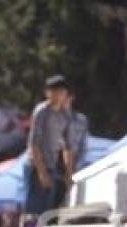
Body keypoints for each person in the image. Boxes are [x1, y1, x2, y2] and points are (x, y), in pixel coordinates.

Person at [25, 75, 72, 215]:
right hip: (37, 165)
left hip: (53, 166)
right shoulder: (42, 112)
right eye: (54, 91)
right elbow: (34, 143)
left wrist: (68, 173)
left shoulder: (65, 115)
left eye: (61, 91)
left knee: (49, 211)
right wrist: (41, 172)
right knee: (35, 211)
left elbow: (67, 146)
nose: (58, 95)